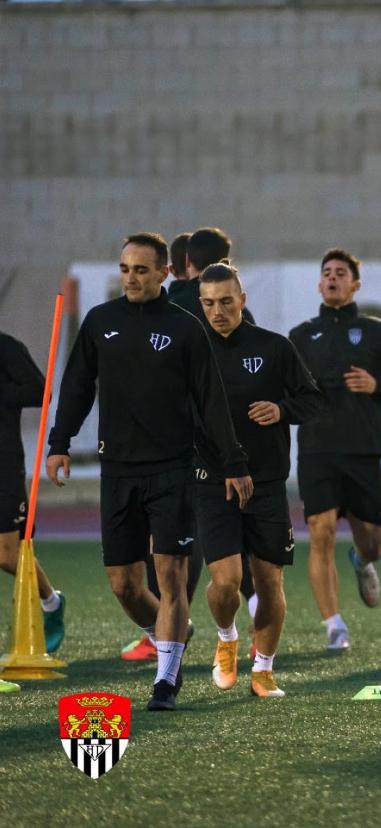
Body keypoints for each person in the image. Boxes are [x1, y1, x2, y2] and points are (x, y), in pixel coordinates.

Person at [47, 232, 251, 711]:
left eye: (141, 270)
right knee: (124, 585)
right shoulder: (100, 322)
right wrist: (59, 444)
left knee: (172, 575)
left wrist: (234, 463)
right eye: (124, 269)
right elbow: (76, 386)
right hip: (117, 470)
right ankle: (170, 632)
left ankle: (166, 679)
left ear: (165, 272)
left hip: (173, 470)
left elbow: (211, 402)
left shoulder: (186, 327)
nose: (131, 278)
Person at [196, 263, 325, 698]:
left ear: (243, 300)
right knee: (227, 583)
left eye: (226, 302)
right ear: (201, 305)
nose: (218, 311)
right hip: (213, 483)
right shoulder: (189, 351)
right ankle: (228, 636)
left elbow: (312, 400)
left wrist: (282, 410)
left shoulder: (274, 347)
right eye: (209, 303)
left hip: (267, 484)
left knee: (270, 584)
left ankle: (264, 670)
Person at [289, 248, 381, 650]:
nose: (332, 278)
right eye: (326, 273)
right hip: (316, 451)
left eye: (341, 273)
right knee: (320, 532)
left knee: (374, 542)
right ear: (319, 283)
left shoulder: (376, 332)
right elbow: (287, 392)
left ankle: (362, 561)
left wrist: (377, 385)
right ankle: (334, 625)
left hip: (362, 451)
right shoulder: (301, 336)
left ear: (355, 283)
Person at [0, 329, 65, 652]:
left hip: (3, 464)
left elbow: (40, 391)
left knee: (7, 556)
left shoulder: (6, 347)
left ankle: (51, 603)